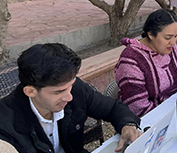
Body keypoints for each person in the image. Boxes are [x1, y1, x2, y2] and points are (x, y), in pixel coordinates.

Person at [0, 43, 141, 153]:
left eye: (71, 86)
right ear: (30, 91)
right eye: (58, 92)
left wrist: (128, 125)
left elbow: (112, 107)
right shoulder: (5, 125)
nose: (69, 96)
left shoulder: (75, 89)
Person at [115, 9, 177, 117]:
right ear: (150, 34)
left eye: (176, 36)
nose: (173, 42)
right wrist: (173, 116)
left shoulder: (168, 47)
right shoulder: (131, 61)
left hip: (173, 109)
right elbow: (138, 108)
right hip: (149, 122)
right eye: (168, 37)